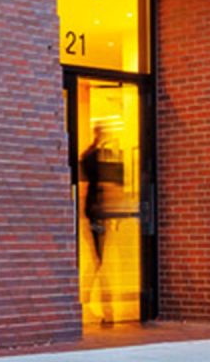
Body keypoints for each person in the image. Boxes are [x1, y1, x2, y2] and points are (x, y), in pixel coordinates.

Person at [77, 122, 129, 325]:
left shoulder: (89, 155)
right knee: (99, 258)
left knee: (98, 258)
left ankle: (88, 297)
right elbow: (95, 186)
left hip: (94, 212)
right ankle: (96, 302)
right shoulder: (95, 157)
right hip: (96, 213)